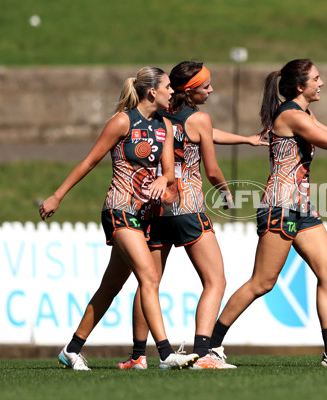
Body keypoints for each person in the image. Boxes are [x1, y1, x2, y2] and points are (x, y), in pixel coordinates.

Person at [207, 59, 327, 367]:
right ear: (300, 87)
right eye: (316, 78)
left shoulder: (303, 114)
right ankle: (210, 347)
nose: (321, 83)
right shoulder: (291, 115)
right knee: (262, 283)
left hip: (302, 208)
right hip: (280, 207)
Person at [38, 66, 199, 370]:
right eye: (167, 87)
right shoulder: (123, 121)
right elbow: (89, 161)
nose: (172, 92)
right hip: (118, 209)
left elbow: (168, 172)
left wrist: (163, 182)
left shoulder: (165, 125)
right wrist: (58, 195)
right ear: (152, 92)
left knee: (110, 286)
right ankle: (165, 354)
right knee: (150, 277)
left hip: (143, 216)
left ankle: (71, 350)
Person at [117, 61, 266, 371]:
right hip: (188, 208)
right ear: (190, 90)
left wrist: (244, 139)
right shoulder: (200, 120)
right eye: (206, 85)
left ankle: (137, 356)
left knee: (149, 283)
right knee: (215, 280)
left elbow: (205, 133)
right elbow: (210, 167)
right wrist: (225, 191)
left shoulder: (158, 117)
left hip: (156, 208)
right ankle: (204, 353)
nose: (211, 89)